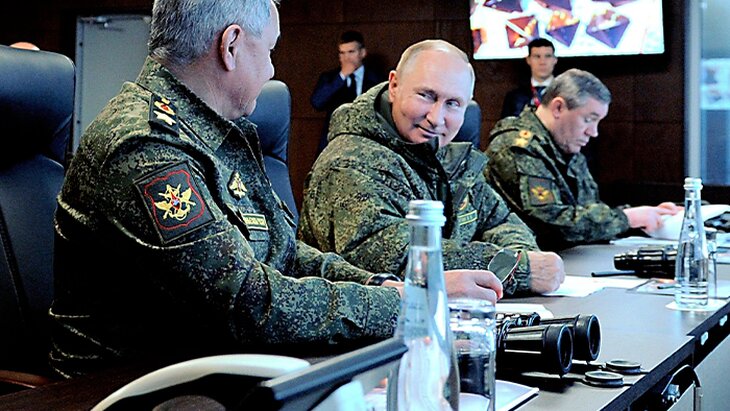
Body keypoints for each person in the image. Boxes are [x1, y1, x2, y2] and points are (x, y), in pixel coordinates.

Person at [48, 0, 505, 379]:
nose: (271, 70)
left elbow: (288, 253)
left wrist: (389, 287)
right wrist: (405, 305)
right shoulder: (145, 146)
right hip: (127, 387)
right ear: (230, 46)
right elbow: (249, 303)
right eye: (269, 50)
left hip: (216, 368)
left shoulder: (219, 132)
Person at [299, 39, 565, 297]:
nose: (436, 119)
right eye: (426, 96)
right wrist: (518, 268)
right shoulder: (350, 163)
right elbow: (397, 260)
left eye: (453, 104)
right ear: (394, 85)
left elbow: (500, 220)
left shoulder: (444, 154)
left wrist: (522, 257)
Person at [486, 68, 682, 250]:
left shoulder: (564, 144)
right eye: (588, 119)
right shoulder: (517, 147)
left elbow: (586, 211)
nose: (593, 132)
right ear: (558, 108)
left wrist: (646, 218)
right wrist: (627, 219)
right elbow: (551, 223)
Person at [310, 30, 386, 152]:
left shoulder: (378, 78)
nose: (346, 58)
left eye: (351, 52)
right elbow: (317, 102)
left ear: (362, 53)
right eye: (342, 53)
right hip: (335, 142)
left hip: (367, 142)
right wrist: (341, 77)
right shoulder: (330, 78)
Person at [500, 38, 558, 118]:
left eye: (547, 56)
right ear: (528, 60)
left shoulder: (566, 93)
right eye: (537, 56)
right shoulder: (514, 97)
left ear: (555, 60)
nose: (542, 62)